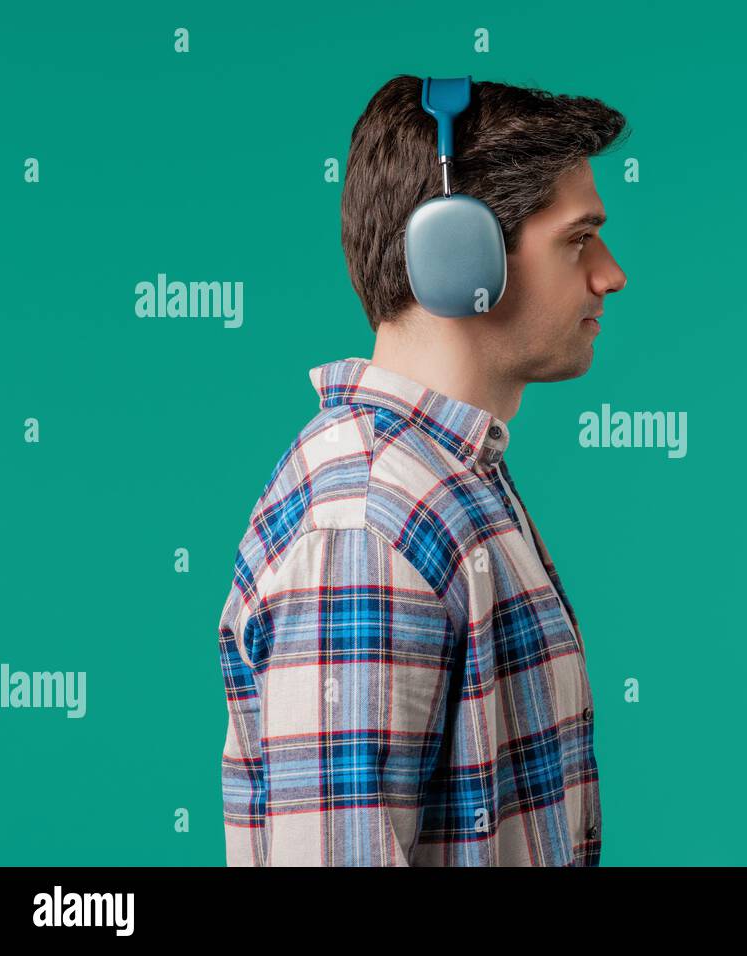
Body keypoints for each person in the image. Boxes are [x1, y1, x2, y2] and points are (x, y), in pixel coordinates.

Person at [216, 75, 629, 866]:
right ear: (457, 254)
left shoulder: (450, 484)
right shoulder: (367, 523)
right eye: (578, 239)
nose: (610, 274)